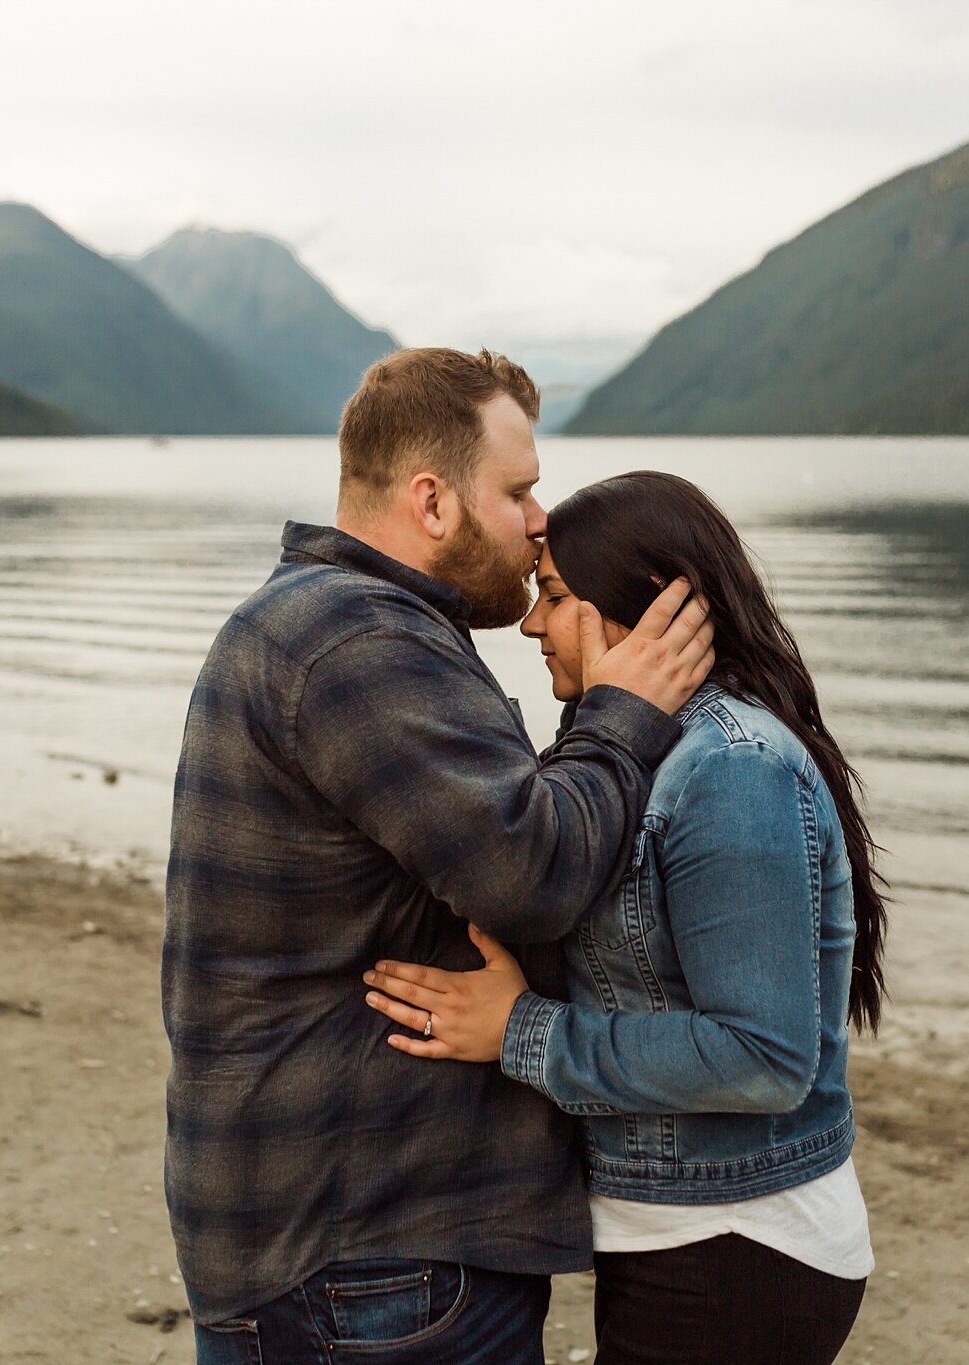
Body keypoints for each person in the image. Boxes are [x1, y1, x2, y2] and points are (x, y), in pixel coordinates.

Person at [163, 350, 715, 1364]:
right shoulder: (356, 641)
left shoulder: (326, 623)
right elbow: (529, 871)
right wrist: (623, 713)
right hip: (375, 1250)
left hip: (333, 1239)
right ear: (431, 500)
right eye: (516, 490)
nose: (539, 519)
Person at [363, 471, 889, 1365]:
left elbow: (764, 1057)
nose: (533, 623)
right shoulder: (636, 745)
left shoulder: (731, 770)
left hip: (740, 1242)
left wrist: (520, 1031)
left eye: (558, 597)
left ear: (650, 611)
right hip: (684, 1232)